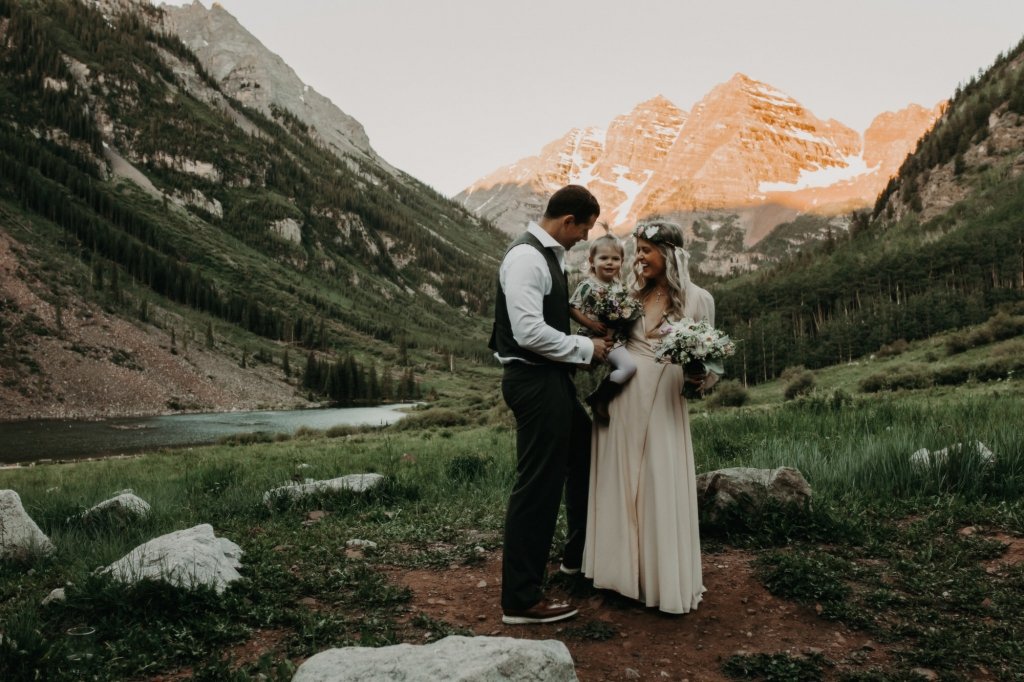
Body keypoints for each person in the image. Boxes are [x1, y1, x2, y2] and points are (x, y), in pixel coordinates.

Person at [489, 184, 611, 625]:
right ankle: (521, 600)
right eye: (584, 230)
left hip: (550, 379)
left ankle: (575, 559)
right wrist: (587, 348)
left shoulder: (548, 255)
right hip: (533, 381)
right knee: (538, 486)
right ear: (568, 222)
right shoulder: (526, 258)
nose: (584, 239)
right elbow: (528, 333)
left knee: (583, 455)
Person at [582, 219, 717, 614]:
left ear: (670, 254)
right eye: (637, 250)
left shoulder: (698, 300)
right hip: (624, 398)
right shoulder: (628, 296)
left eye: (646, 250)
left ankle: (660, 581)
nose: (638, 258)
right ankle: (616, 576)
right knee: (617, 479)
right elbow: (612, 340)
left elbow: (709, 368)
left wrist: (699, 378)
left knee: (659, 479)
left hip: (663, 402)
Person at [568, 225, 638, 422]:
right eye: (604, 258)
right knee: (579, 373)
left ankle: (600, 398)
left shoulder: (620, 288)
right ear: (592, 261)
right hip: (591, 338)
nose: (610, 263)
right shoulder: (587, 285)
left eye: (615, 259)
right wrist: (590, 324)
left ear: (622, 261)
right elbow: (572, 308)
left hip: (613, 340)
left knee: (629, 368)